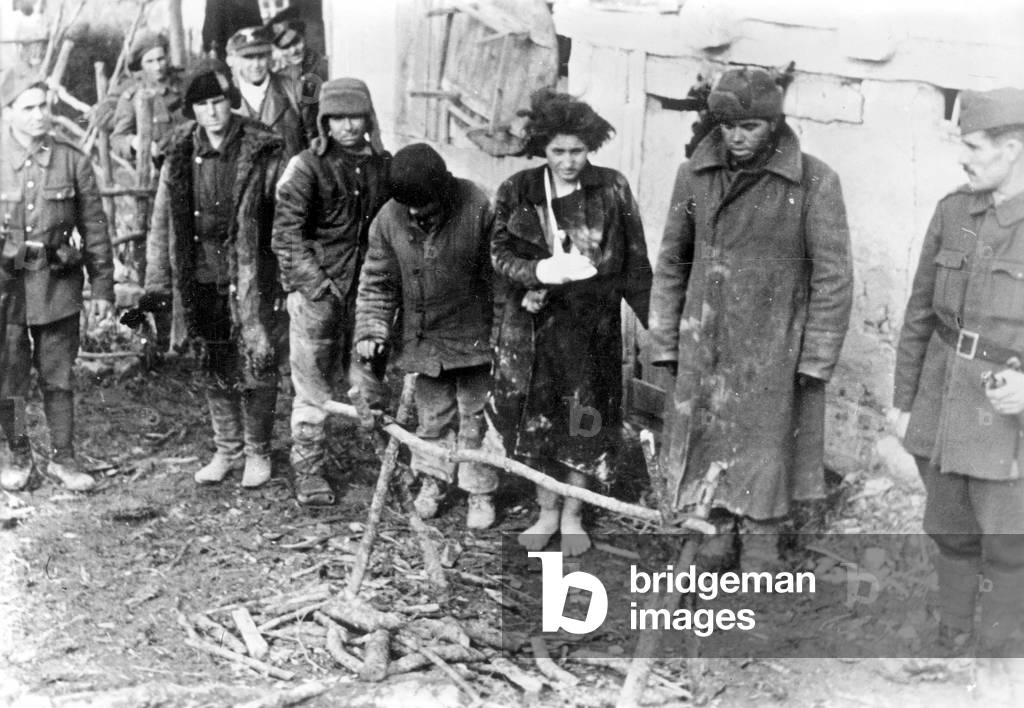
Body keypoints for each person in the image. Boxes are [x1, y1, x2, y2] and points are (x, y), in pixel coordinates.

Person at [648, 67, 853, 570]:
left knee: (766, 449)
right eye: (728, 127)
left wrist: (816, 357)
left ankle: (762, 542)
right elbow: (673, 260)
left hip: (773, 346)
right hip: (706, 340)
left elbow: (834, 277)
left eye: (751, 128)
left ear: (775, 125)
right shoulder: (694, 175)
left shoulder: (815, 182)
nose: (737, 138)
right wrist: (666, 340)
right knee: (707, 438)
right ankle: (714, 530)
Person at [891, 88, 1024, 663]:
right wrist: (902, 402)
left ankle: (996, 659)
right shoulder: (953, 211)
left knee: (1006, 543)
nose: (964, 158)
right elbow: (920, 311)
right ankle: (951, 639)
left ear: (1012, 149)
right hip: (942, 400)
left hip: (1004, 412)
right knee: (949, 527)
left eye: (972, 146)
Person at [490, 89, 652, 556]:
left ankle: (575, 512)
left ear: (591, 147)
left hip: (590, 330)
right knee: (537, 420)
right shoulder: (518, 190)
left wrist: (656, 328)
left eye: (577, 150)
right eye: (558, 151)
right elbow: (499, 254)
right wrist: (538, 273)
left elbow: (635, 264)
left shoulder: (612, 189)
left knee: (586, 421)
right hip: (535, 331)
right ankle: (545, 510)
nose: (568, 161)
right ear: (542, 147)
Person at [144, 59, 285, 489]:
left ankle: (259, 451)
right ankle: (228, 450)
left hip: (251, 274)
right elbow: (161, 223)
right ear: (192, 110)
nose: (211, 111)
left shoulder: (263, 149)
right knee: (214, 360)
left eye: (218, 101)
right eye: (201, 104)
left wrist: (283, 279)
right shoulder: (180, 153)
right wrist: (156, 283)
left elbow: (285, 217)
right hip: (201, 273)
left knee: (258, 361)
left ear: (231, 102)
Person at [354, 143, 498, 528]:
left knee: (476, 418)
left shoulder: (478, 206)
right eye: (410, 207)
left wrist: (502, 338)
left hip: (474, 339)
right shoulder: (388, 219)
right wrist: (372, 329)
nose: (417, 214)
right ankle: (433, 481)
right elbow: (377, 283)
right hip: (424, 338)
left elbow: (500, 281)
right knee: (432, 418)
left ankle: (479, 491)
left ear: (444, 189)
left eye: (426, 206)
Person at [272, 78, 390, 506]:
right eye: (337, 117)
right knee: (312, 388)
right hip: (317, 296)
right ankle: (309, 470)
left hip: (368, 297)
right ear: (324, 120)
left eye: (354, 116)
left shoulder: (383, 166)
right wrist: (318, 286)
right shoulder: (306, 166)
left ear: (368, 117)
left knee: (370, 380)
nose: (346, 126)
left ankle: (382, 466)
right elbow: (286, 236)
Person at [0, 63, 114, 492]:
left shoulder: (71, 160)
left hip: (57, 286)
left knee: (58, 377)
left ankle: (64, 459)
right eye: (27, 107)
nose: (39, 114)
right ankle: (17, 454)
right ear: (8, 111)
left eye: (43, 105)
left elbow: (95, 226)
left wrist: (104, 287)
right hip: (6, 289)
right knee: (8, 378)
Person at [226, 26, 317, 160]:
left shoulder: (297, 90)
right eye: (248, 57)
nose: (256, 65)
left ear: (269, 57)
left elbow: (314, 143)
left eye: (261, 56)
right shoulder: (225, 97)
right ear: (235, 60)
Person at [109, 32, 185, 164]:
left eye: (161, 59)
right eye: (150, 61)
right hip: (159, 170)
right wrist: (135, 142)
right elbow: (118, 139)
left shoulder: (184, 85)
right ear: (141, 64)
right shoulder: (133, 97)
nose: (157, 67)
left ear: (167, 57)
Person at [266, 7, 328, 83]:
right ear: (275, 49)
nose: (293, 51)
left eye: (296, 42)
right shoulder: (275, 75)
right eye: (286, 47)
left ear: (304, 38)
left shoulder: (321, 67)